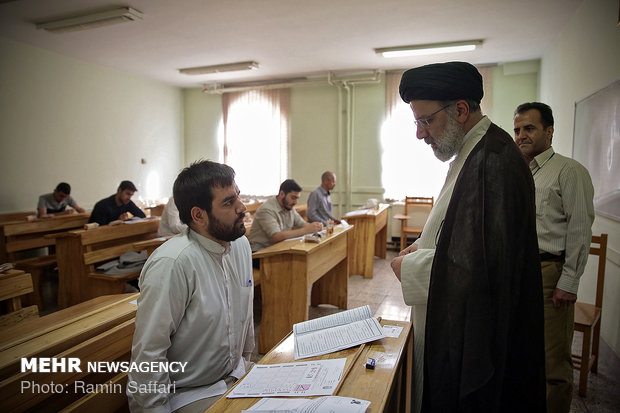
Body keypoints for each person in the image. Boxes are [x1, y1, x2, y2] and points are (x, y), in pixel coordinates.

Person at [390, 62, 545, 412]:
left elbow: (481, 265)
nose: (420, 133)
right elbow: (463, 231)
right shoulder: (476, 152)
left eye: (425, 121)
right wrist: (427, 244)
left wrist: (407, 265)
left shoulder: (493, 161)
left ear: (460, 110)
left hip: (476, 344)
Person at [127, 160, 254, 412]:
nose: (242, 207)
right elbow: (149, 355)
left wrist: (246, 366)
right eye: (229, 202)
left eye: (238, 196)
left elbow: (245, 318)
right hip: (191, 394)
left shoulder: (240, 245)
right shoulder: (173, 263)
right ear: (198, 215)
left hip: (237, 375)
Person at [514, 102, 594, 413]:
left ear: (549, 131)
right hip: (519, 272)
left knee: (553, 360)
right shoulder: (518, 173)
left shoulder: (568, 171)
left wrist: (569, 281)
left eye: (529, 128)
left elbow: (579, 229)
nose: (521, 135)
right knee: (522, 351)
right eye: (518, 129)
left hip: (550, 274)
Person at [248, 179, 322, 252]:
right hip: (260, 253)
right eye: (293, 198)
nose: (295, 202)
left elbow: (302, 224)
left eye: (297, 198)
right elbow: (276, 236)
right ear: (282, 194)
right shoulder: (266, 210)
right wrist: (306, 230)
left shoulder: (289, 207)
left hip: (278, 249)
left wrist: (315, 227)